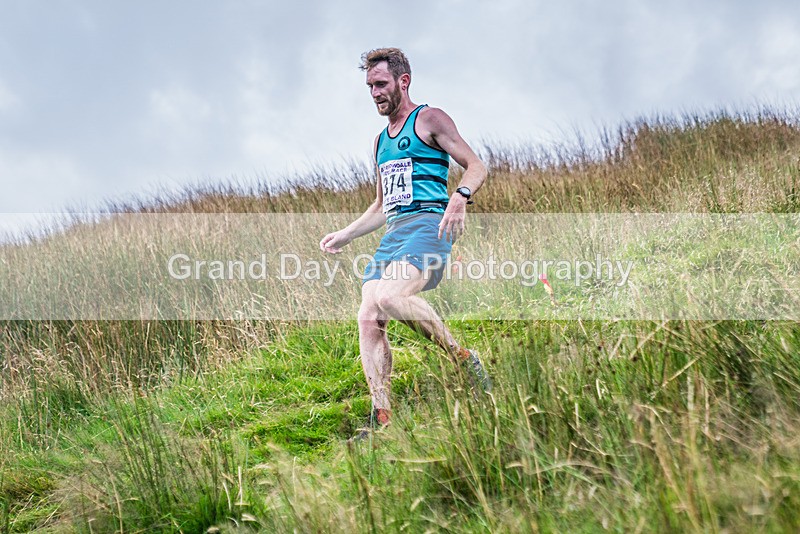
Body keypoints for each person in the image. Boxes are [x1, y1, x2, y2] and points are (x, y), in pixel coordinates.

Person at [319, 48, 491, 439]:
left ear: (403, 81)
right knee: (368, 316)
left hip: (429, 225)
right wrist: (345, 234)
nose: (375, 93)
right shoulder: (380, 142)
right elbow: (382, 206)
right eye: (370, 86)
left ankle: (464, 359)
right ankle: (382, 417)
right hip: (394, 235)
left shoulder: (429, 119)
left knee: (390, 296)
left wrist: (459, 197)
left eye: (381, 84)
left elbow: (477, 166)